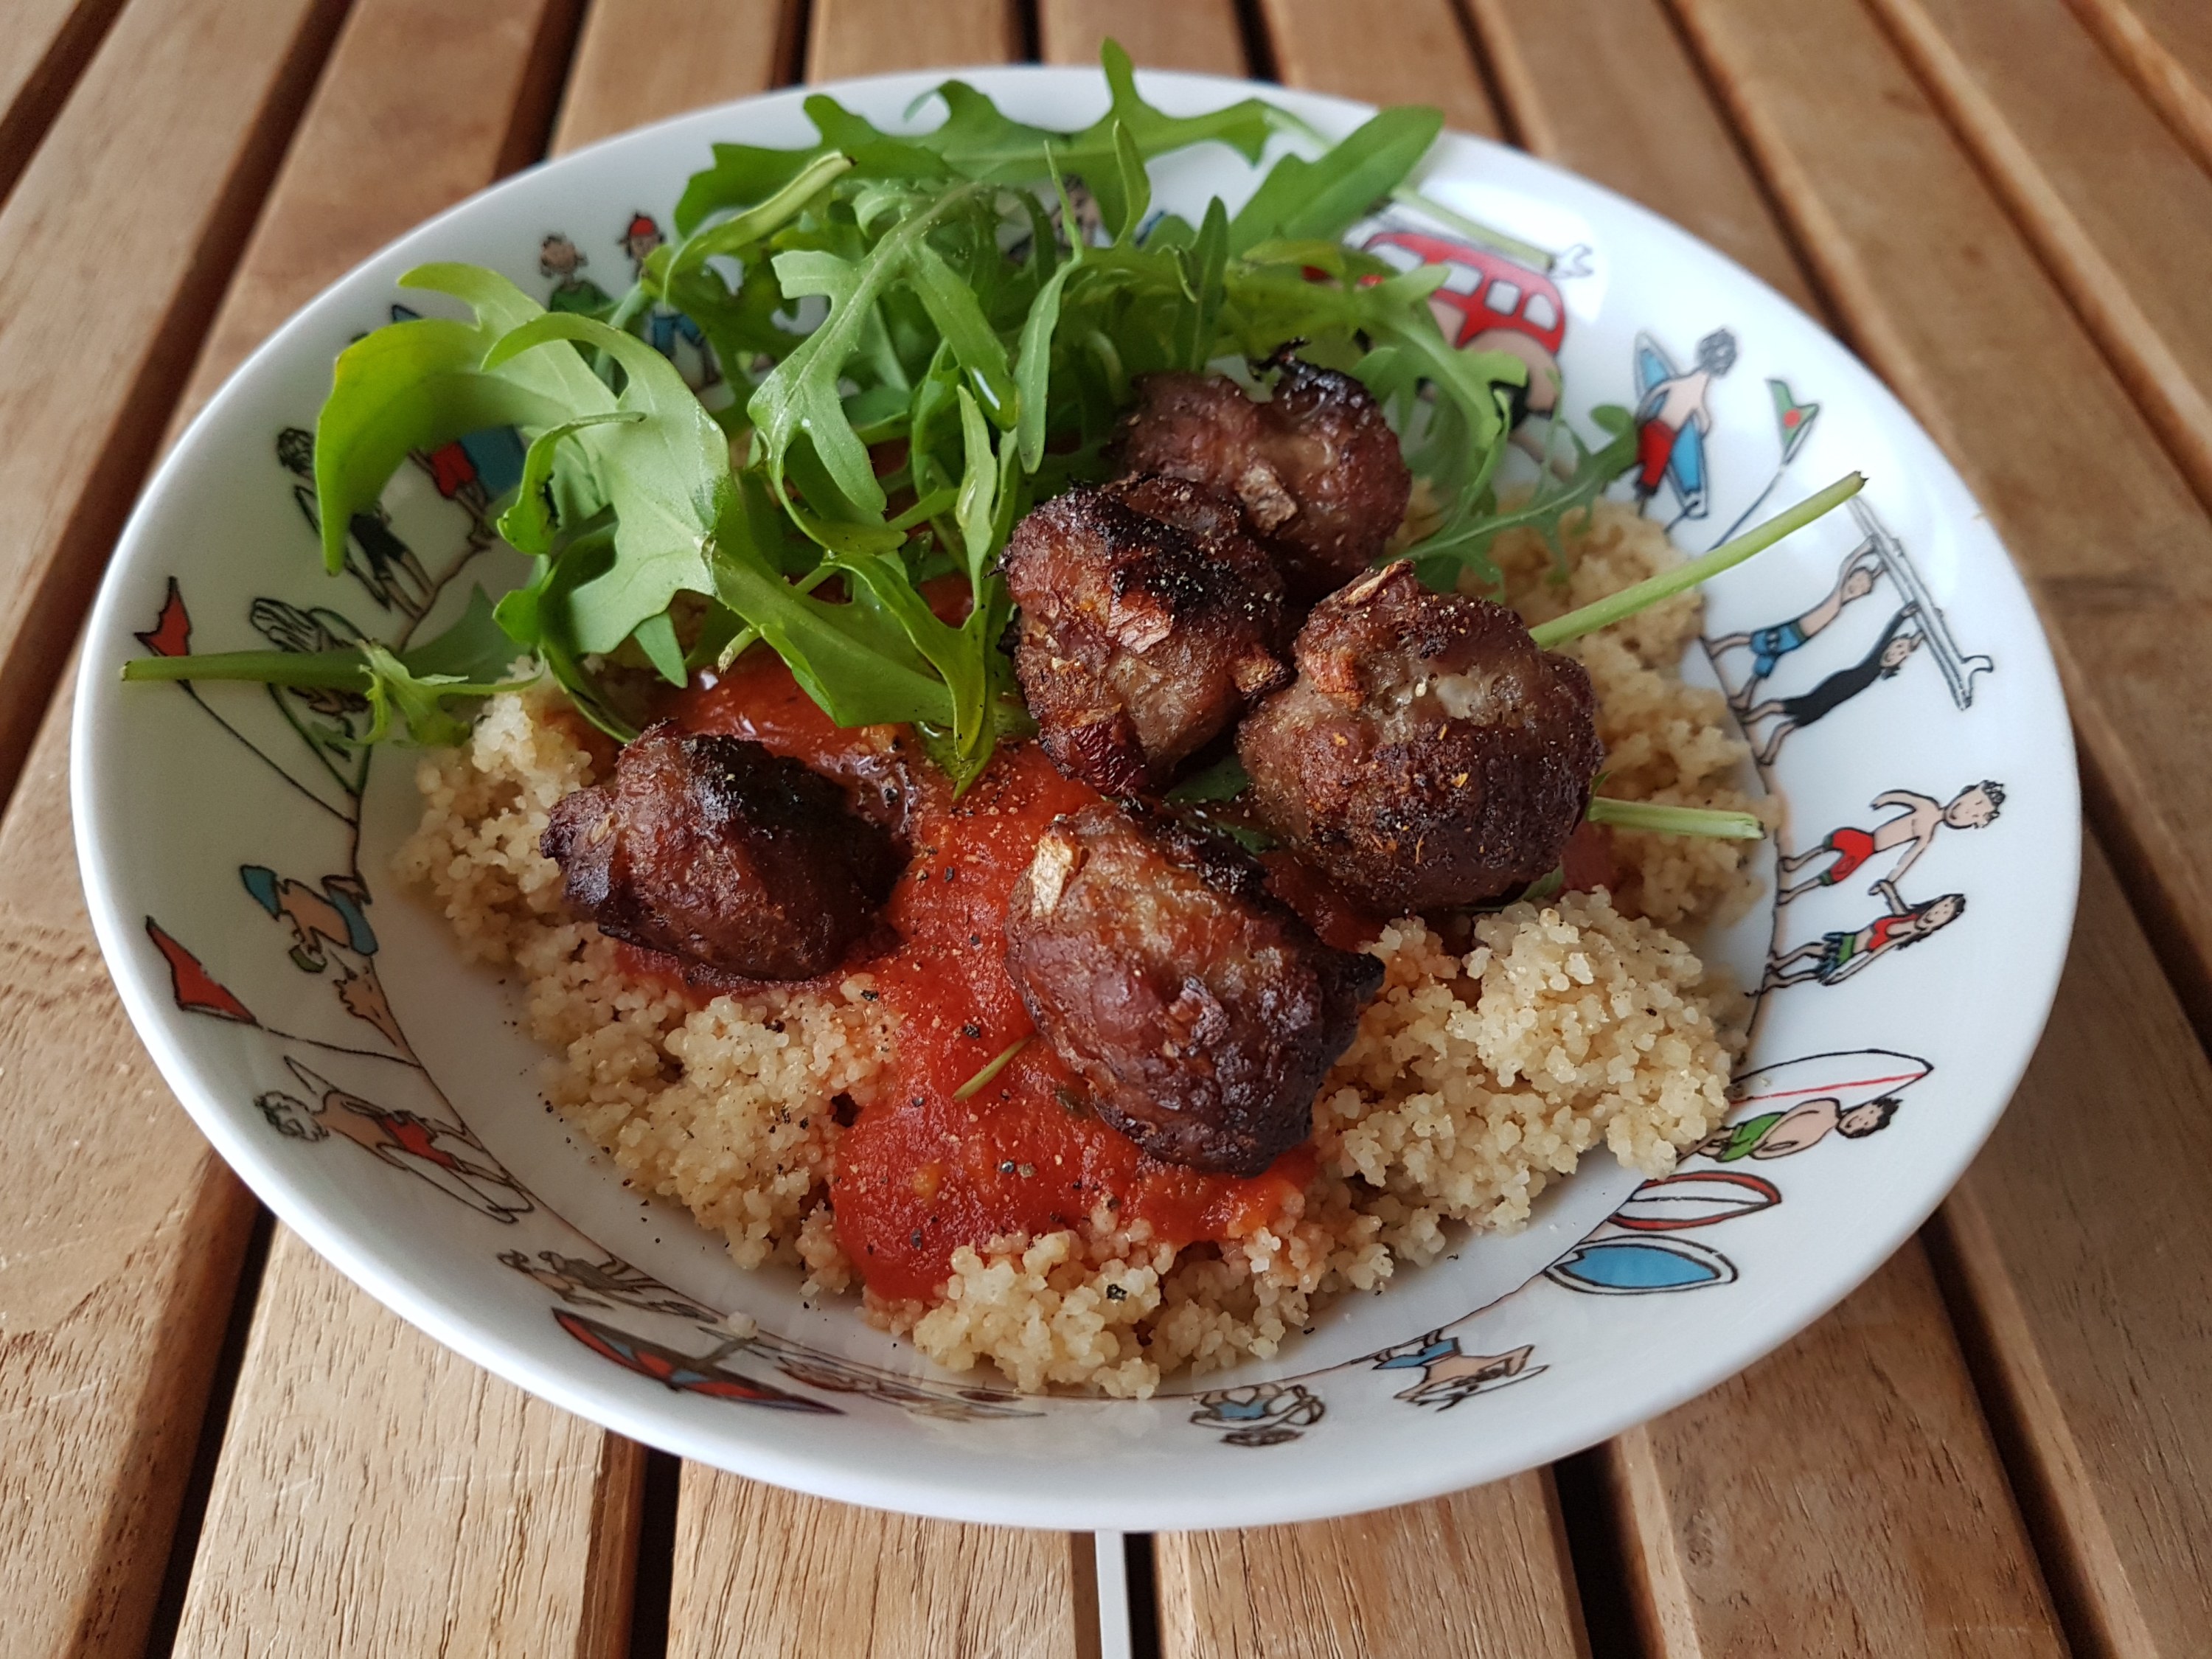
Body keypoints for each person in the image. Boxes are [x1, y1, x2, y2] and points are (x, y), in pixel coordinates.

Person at [1740, 607, 1921, 765]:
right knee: (1777, 708)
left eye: (1901, 653)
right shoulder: (1876, 659)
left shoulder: (1883, 672)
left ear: (1901, 661)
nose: (1894, 653)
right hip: (1830, 688)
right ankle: (1749, 720)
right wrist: (1902, 616)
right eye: (1897, 646)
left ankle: (1767, 757)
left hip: (1827, 704)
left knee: (1784, 728)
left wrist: (1918, 638)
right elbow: (1888, 633)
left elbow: (1907, 650)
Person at [1710, 546, 1883, 710]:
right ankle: (1719, 646)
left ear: (1862, 595)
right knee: (1753, 640)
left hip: (1797, 640)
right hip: (1791, 631)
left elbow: (1867, 581)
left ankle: (1745, 697)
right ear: (1850, 577)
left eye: (1863, 588)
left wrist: (1879, 571)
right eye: (1858, 579)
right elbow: (1848, 563)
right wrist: (1864, 550)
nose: (1858, 586)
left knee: (1766, 661)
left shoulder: (1840, 606)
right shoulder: (1837, 595)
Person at [1778, 781, 2004, 902]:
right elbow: (1907, 798)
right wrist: (1886, 799)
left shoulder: (1927, 836)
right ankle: (1796, 862)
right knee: (1830, 843)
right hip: (1865, 838)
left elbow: (1907, 859)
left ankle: (1794, 892)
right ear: (1965, 792)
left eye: (1974, 816)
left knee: (1833, 875)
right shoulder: (1927, 805)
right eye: (1971, 803)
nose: (1964, 812)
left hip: (1868, 851)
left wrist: (1890, 881)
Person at [1764, 878, 1965, 989]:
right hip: (1849, 939)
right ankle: (1780, 965)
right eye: (1940, 907)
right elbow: (1895, 902)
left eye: (1943, 915)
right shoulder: (1906, 916)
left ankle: (1781, 980)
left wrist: (1844, 974)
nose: (1937, 913)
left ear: (1940, 924)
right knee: (1809, 950)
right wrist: (1886, 887)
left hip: (1850, 952)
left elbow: (1870, 958)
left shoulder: (1905, 936)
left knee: (1814, 970)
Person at [1632, 327, 1736, 519]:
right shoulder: (1697, 390)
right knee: (1652, 474)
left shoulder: (1681, 382)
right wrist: (1701, 433)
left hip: (1652, 425)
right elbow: (1703, 417)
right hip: (1665, 437)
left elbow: (1658, 390)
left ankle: (1618, 490)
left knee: (1634, 456)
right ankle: (1637, 508)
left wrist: (1642, 414)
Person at [622, 212, 723, 389]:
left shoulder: (670, 263)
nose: (646, 248)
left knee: (701, 337)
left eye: (651, 242)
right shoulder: (640, 273)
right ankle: (674, 387)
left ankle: (711, 371)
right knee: (663, 351)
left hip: (681, 309)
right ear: (630, 247)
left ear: (659, 241)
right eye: (639, 244)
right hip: (660, 317)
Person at [1696, 1094, 1900, 1161]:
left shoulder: (1822, 1134)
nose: (1858, 1122)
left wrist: (1762, 1152)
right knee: (1724, 1136)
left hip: (1759, 1144)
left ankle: (1689, 1147)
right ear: (1865, 1105)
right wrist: (1762, 1138)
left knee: (1721, 1152)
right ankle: (1691, 1147)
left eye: (1865, 1124)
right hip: (1763, 1126)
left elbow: (1793, 1147)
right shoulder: (1828, 1106)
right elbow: (1789, 1116)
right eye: (1865, 1115)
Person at [540, 232, 611, 316]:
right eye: (555, 254)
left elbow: (610, 306)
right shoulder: (557, 297)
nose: (561, 258)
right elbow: (554, 320)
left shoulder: (588, 288)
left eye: (564, 251)